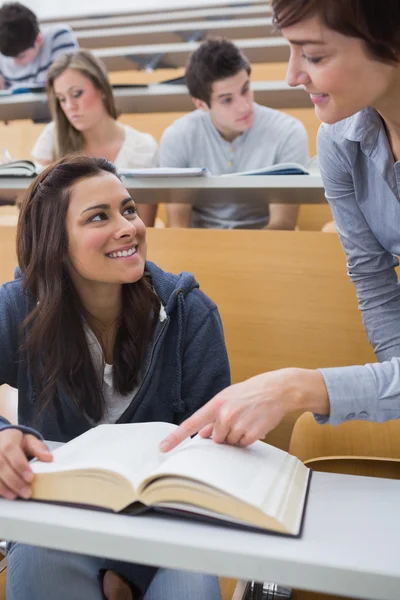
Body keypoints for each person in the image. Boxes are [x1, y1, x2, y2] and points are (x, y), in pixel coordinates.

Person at [160, 0, 400, 453]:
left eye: (313, 55)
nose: (292, 76)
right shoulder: (338, 138)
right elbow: (374, 283)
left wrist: (299, 387)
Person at [0, 154, 229, 600]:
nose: (128, 227)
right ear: (55, 243)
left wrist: (129, 567)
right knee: (42, 560)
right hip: (57, 519)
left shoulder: (190, 313)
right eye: (98, 217)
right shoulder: (18, 307)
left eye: (127, 209)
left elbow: (211, 457)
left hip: (166, 529)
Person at [158, 38, 309, 230]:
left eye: (245, 90)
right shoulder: (178, 137)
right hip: (201, 244)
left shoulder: (287, 132)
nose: (244, 107)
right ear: (201, 104)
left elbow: (283, 223)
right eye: (227, 100)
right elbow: (178, 222)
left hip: (267, 243)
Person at [31, 49, 158, 226]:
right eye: (62, 99)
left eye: (77, 94)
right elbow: (38, 216)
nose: (70, 106)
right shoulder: (52, 136)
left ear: (102, 88)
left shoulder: (143, 147)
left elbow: (144, 225)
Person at [0, 2, 78, 90]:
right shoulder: (4, 48)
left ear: (39, 39)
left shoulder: (58, 37)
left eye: (21, 56)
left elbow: (68, 83)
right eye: (10, 57)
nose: (15, 62)